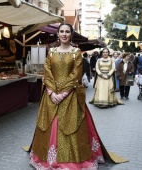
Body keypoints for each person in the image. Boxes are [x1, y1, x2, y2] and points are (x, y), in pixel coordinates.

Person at [27, 23, 128, 170]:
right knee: (50, 124)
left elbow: (76, 75)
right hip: (51, 96)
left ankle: (71, 159)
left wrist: (62, 94)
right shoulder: (52, 52)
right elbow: (47, 73)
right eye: (61, 31)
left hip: (70, 96)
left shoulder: (76, 52)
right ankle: (48, 158)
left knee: (71, 125)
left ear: (71, 34)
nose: (64, 34)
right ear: (58, 34)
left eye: (67, 31)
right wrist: (51, 93)